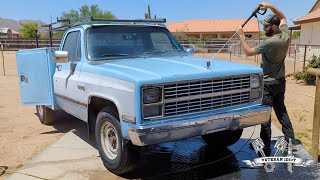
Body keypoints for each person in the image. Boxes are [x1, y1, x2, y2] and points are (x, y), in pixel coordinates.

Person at [236, 2, 297, 156]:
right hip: (280, 81)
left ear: (274, 27)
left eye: (267, 26)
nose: (264, 28)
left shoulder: (270, 42)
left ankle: (264, 146)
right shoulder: (284, 34)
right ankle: (291, 141)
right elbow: (282, 16)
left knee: (265, 114)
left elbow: (248, 52)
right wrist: (269, 6)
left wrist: (242, 36)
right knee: (281, 110)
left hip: (268, 84)